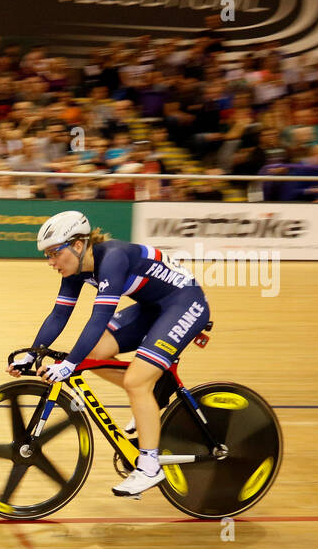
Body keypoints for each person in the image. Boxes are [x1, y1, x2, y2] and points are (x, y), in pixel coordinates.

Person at [11, 210, 211, 497]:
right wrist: (31, 354)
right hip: (153, 307)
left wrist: (68, 364)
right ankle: (152, 393)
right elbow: (59, 315)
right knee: (94, 354)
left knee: (135, 382)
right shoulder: (75, 268)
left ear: (78, 245)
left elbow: (99, 318)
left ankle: (150, 466)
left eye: (55, 253)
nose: (52, 262)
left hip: (185, 303)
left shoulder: (113, 258)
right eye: (47, 256)